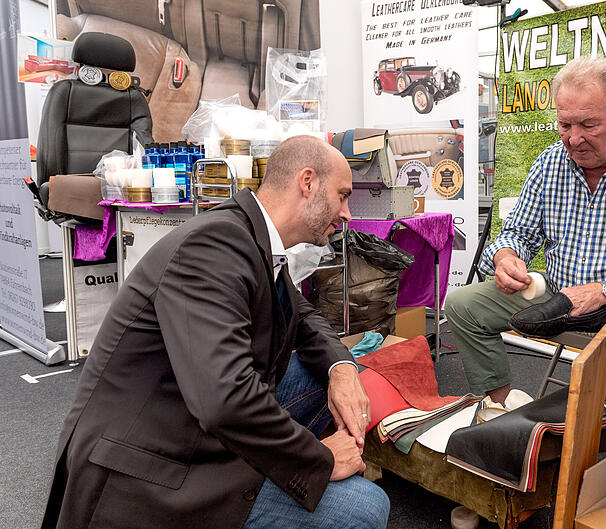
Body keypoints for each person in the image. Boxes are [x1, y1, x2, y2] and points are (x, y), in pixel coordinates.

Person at [42, 136, 390, 529]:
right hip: (153, 463)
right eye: (343, 195)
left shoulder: (248, 234)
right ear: (307, 182)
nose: (347, 214)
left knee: (318, 374)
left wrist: (342, 369)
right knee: (366, 507)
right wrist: (320, 462)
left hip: (191, 416)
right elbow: (225, 399)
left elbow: (302, 315)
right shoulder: (213, 245)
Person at [446, 56, 606, 436]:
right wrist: (506, 257)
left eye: (588, 125)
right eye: (565, 125)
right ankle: (500, 413)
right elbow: (517, 232)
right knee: (463, 304)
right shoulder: (549, 164)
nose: (574, 139)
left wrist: (603, 291)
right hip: (558, 295)